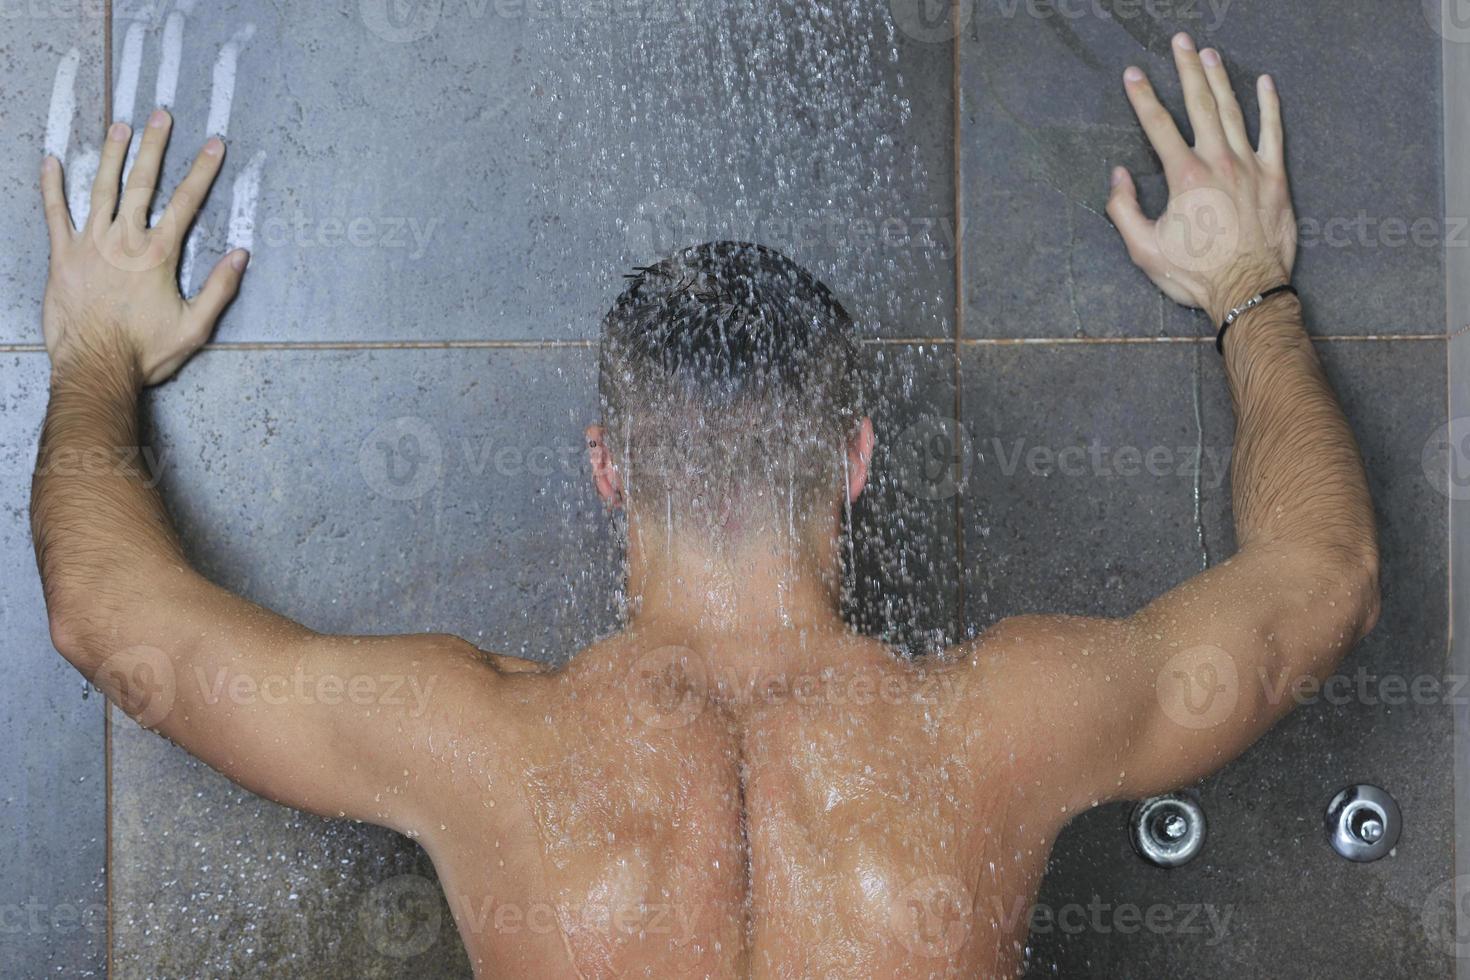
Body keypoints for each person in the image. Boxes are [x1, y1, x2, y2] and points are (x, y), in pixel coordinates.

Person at [31, 33, 1377, 978]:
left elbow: (104, 615)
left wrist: (93, 351)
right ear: (850, 459)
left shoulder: (469, 744)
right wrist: (1250, 290)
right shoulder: (1002, 726)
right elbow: (1320, 582)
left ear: (608, 469)